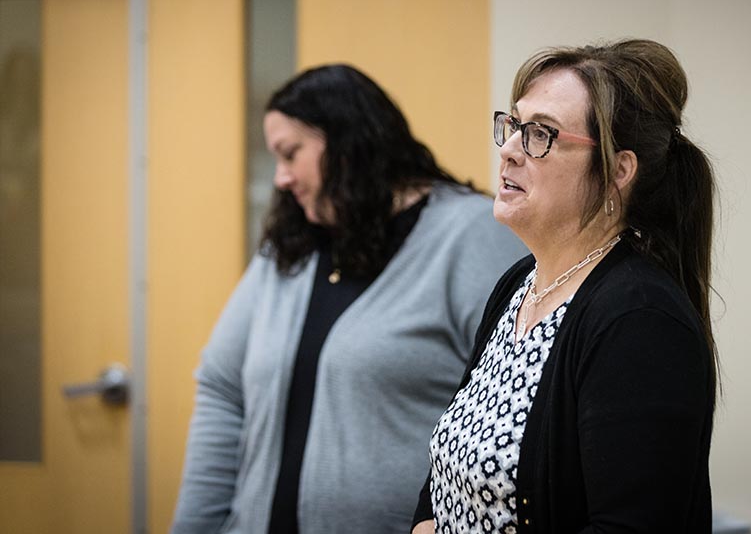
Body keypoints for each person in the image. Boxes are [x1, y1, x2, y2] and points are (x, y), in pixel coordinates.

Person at [170, 64, 526, 534]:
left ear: (344, 141)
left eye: (290, 153)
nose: (281, 177)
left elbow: (518, 411)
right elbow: (222, 387)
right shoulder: (289, 249)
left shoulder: (471, 236)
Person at [412, 39, 718, 533]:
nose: (510, 150)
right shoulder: (520, 284)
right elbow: (450, 470)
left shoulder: (639, 320)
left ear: (619, 170)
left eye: (542, 134)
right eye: (513, 126)